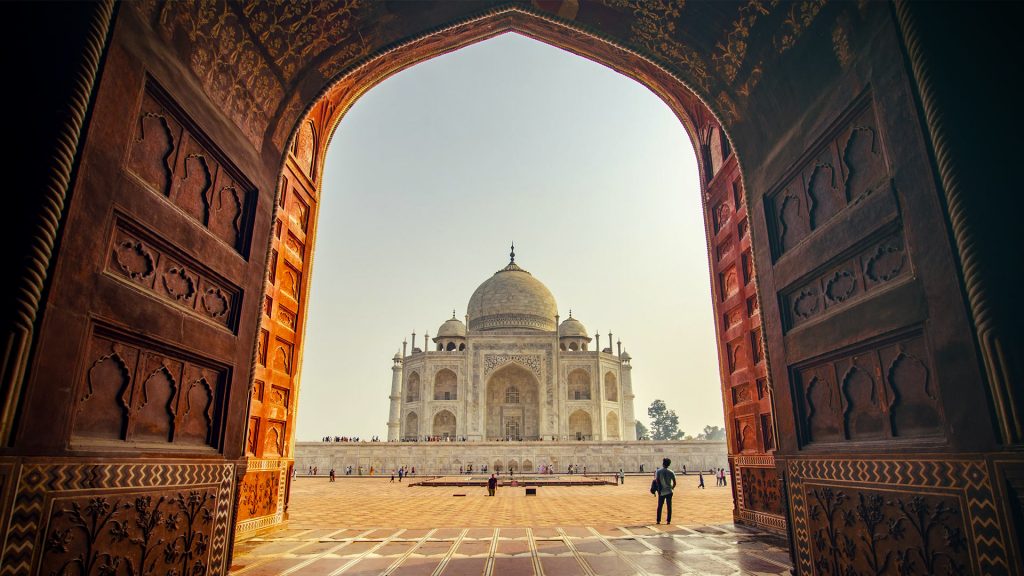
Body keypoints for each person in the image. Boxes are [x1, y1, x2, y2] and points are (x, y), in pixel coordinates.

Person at [654, 458, 677, 525]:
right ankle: (668, 521)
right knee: (669, 506)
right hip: (669, 491)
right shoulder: (671, 472)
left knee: (660, 506)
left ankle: (658, 520)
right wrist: (672, 488)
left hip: (661, 491)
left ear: (663, 463)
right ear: (669, 464)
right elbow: (675, 483)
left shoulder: (658, 471)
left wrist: (658, 490)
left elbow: (657, 481)